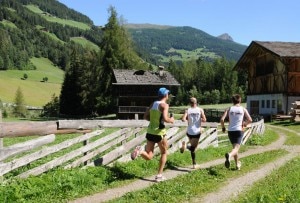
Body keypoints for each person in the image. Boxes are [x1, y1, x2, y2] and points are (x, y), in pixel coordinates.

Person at [131, 87, 174, 182]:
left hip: (150, 132)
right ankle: (159, 175)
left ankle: (141, 151)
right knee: (164, 153)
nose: (168, 95)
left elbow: (145, 116)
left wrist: (154, 121)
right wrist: (171, 120)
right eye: (168, 94)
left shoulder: (153, 104)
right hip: (159, 133)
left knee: (149, 156)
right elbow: (166, 118)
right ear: (165, 95)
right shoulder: (164, 105)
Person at [220, 94, 252, 170]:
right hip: (239, 130)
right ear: (240, 100)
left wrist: (223, 127)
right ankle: (229, 155)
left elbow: (222, 120)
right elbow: (250, 120)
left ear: (232, 101)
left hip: (230, 131)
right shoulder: (243, 109)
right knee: (236, 149)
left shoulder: (229, 109)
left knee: (235, 148)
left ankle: (237, 165)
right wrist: (244, 124)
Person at [180, 97, 207, 169]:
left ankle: (194, 164)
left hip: (189, 131)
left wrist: (189, 120)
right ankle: (186, 146)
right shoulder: (200, 110)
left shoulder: (187, 110)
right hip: (196, 131)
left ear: (190, 103)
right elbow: (204, 120)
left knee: (193, 148)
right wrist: (199, 119)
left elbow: (183, 119)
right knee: (193, 148)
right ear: (196, 102)